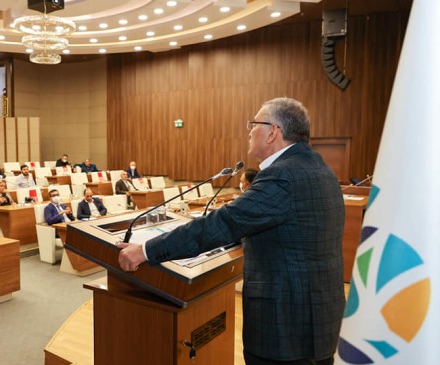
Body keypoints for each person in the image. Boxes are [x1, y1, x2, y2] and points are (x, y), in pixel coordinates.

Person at [117, 98, 345, 365]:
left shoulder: (282, 176)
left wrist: (145, 250)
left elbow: (223, 223)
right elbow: (292, 228)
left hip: (285, 327)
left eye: (254, 124)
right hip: (319, 319)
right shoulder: (319, 169)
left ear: (273, 131)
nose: (249, 131)